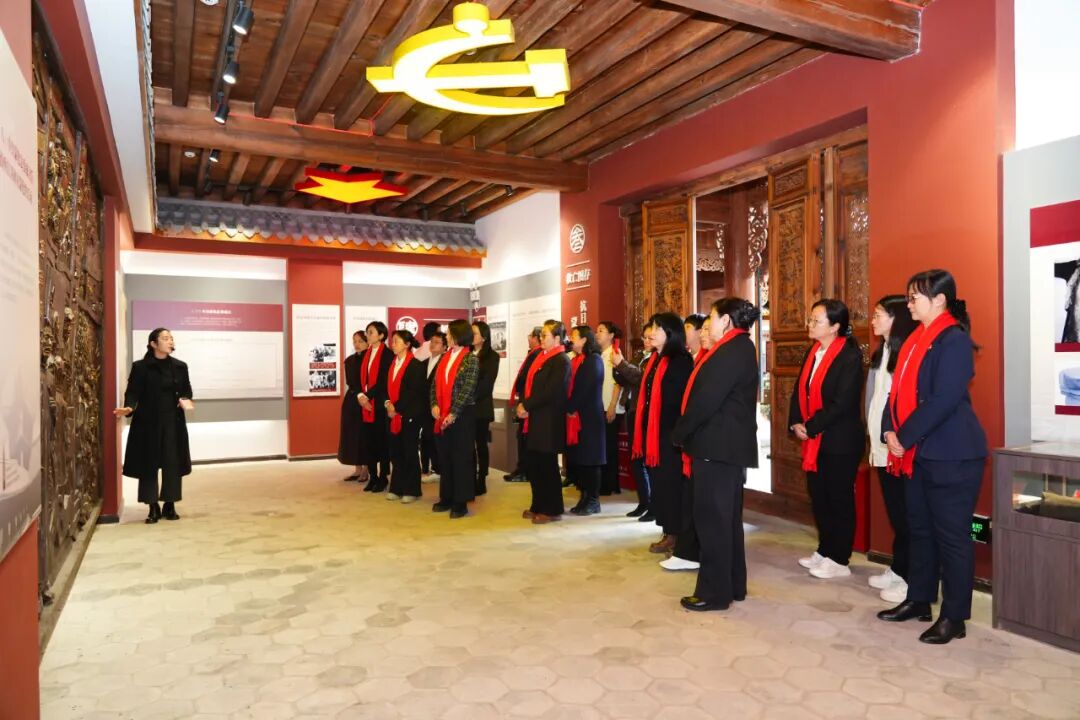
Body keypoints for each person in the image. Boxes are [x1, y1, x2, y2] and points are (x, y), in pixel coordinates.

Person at [878, 270, 988, 645]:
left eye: (915, 297)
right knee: (920, 530)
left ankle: (954, 617)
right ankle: (919, 599)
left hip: (952, 453)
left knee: (952, 538)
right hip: (919, 452)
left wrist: (904, 436)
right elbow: (896, 393)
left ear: (939, 300)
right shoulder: (914, 340)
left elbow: (944, 398)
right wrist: (890, 432)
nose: (909, 304)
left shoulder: (953, 339)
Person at [672, 298, 761, 610]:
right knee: (726, 523)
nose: (708, 324)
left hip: (717, 447)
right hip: (723, 448)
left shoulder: (731, 350)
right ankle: (732, 585)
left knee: (713, 524)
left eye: (712, 317)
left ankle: (714, 593)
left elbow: (705, 401)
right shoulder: (738, 347)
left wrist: (680, 433)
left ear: (726, 320)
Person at [788, 299, 865, 580]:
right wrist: (796, 422)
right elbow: (799, 390)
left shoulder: (849, 356)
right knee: (819, 497)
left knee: (838, 498)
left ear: (835, 326)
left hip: (840, 440)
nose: (810, 324)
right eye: (810, 319)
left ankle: (839, 558)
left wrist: (811, 427)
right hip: (815, 440)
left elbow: (842, 403)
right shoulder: (814, 352)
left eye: (816, 320)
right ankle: (825, 549)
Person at [866, 295, 918, 603]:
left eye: (879, 314)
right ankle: (899, 567)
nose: (873, 319)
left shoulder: (907, 352)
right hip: (880, 443)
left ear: (896, 319)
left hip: (898, 446)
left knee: (906, 514)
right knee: (896, 512)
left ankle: (911, 576)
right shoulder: (883, 351)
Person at [114, 328, 194, 524]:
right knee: (148, 463)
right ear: (153, 344)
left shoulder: (180, 366)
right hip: (147, 423)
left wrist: (185, 400)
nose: (170, 341)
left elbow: (186, 391)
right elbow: (133, 392)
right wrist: (129, 407)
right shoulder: (141, 367)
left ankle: (170, 504)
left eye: (171, 338)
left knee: (172, 462)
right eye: (165, 338)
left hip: (173, 422)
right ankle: (152, 506)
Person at [635, 313, 693, 555]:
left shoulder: (680, 361)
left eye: (657, 328)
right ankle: (668, 531)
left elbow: (680, 402)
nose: (651, 333)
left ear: (670, 333)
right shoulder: (655, 360)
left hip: (670, 434)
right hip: (654, 433)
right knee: (660, 486)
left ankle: (676, 535)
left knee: (672, 487)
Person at [517, 320, 571, 524]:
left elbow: (551, 391)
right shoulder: (542, 356)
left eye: (545, 335)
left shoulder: (561, 360)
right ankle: (538, 505)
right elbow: (531, 386)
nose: (541, 338)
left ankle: (552, 509)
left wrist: (527, 404)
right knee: (535, 465)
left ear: (557, 338)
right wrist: (524, 404)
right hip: (535, 418)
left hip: (549, 420)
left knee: (548, 467)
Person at [431, 319, 479, 519]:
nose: (447, 337)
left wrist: (453, 413)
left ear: (459, 335)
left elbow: (468, 389)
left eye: (450, 333)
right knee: (445, 457)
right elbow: (434, 384)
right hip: (442, 414)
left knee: (461, 459)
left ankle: (461, 502)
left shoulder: (471, 359)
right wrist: (434, 404)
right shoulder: (445, 356)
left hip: (462, 415)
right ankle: (447, 497)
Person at [612, 324, 655, 520]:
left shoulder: (657, 359)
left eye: (650, 337)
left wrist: (622, 364)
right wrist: (618, 367)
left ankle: (652, 504)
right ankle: (643, 502)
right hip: (632, 410)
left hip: (645, 412)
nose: (646, 341)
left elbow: (640, 378)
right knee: (636, 459)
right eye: (644, 337)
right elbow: (625, 379)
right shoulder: (639, 357)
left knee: (646, 460)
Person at [566, 326, 606, 515]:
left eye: (574, 336)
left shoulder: (593, 360)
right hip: (579, 417)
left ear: (584, 340)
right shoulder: (579, 360)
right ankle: (584, 497)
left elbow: (584, 389)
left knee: (591, 460)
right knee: (581, 460)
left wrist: (570, 407)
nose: (570, 339)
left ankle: (593, 500)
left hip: (590, 418)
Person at [385, 330, 428, 503]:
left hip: (410, 414)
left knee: (410, 451)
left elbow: (412, 392)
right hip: (394, 413)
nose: (393, 344)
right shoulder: (392, 363)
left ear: (407, 344)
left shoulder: (416, 365)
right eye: (392, 341)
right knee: (396, 452)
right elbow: (387, 388)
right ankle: (397, 487)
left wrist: (396, 408)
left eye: (396, 341)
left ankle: (412, 489)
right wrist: (388, 404)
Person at [504, 328, 543, 482]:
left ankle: (525, 471)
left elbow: (527, 378)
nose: (528, 338)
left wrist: (525, 402)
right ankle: (523, 469)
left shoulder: (537, 354)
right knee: (522, 437)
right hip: (525, 399)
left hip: (528, 402)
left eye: (530, 336)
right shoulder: (533, 353)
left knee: (525, 438)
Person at [359, 321, 394, 492]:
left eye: (371, 332)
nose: (368, 335)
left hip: (380, 404)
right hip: (366, 405)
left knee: (382, 443)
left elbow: (382, 381)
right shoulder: (366, 353)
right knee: (369, 442)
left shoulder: (387, 354)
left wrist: (367, 396)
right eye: (367, 332)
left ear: (381, 335)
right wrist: (362, 396)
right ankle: (372, 476)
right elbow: (361, 380)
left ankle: (383, 477)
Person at [472, 320, 500, 496]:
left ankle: (481, 478)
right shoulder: (467, 353)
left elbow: (487, 384)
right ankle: (469, 477)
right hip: (465, 408)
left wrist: (469, 397)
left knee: (480, 444)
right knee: (467, 445)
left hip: (481, 407)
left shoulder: (492, 356)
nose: (471, 336)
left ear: (483, 337)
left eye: (474, 333)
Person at [595, 321, 623, 497]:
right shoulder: (601, 354)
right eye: (597, 331)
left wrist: (612, 406)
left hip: (611, 407)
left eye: (601, 331)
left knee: (609, 447)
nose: (597, 334)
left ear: (611, 335)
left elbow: (618, 383)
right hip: (602, 406)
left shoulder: (614, 354)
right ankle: (608, 483)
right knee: (604, 446)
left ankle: (610, 484)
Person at [338, 331, 370, 482]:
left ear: (367, 342)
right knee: (351, 434)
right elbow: (350, 382)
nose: (357, 344)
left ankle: (367, 468)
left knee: (365, 434)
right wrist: (357, 394)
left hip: (366, 399)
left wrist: (364, 396)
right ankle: (357, 469)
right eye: (354, 341)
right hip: (352, 399)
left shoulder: (371, 360)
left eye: (360, 341)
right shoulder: (349, 360)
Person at [420, 331, 446, 484]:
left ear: (444, 347)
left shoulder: (445, 362)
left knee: (435, 438)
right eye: (432, 341)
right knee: (425, 438)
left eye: (437, 342)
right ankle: (425, 468)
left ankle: (438, 469)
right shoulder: (423, 363)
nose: (432, 344)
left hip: (438, 407)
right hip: (424, 407)